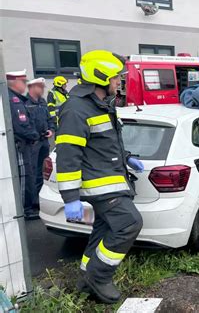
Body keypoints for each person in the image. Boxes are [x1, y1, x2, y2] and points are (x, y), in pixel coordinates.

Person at [55, 50, 144, 303]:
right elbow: (68, 155)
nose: (119, 81)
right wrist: (70, 197)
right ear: (101, 78)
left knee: (103, 230)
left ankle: (85, 278)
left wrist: (126, 158)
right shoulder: (76, 110)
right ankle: (100, 275)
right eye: (116, 77)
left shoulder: (100, 103)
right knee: (129, 223)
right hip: (100, 185)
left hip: (111, 178)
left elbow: (105, 142)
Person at [7, 70, 40, 220]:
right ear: (14, 82)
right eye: (23, 82)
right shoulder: (14, 101)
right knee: (23, 176)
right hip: (20, 144)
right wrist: (34, 135)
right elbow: (22, 125)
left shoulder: (16, 99)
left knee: (27, 174)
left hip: (22, 143)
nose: (25, 85)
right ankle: (24, 210)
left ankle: (26, 208)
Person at [26, 78, 55, 205]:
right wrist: (34, 135)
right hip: (33, 142)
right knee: (32, 171)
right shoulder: (25, 102)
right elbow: (25, 124)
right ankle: (32, 202)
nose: (43, 89)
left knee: (43, 171)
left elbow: (49, 118)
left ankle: (40, 199)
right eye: (40, 87)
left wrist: (51, 129)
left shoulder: (42, 102)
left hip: (44, 141)